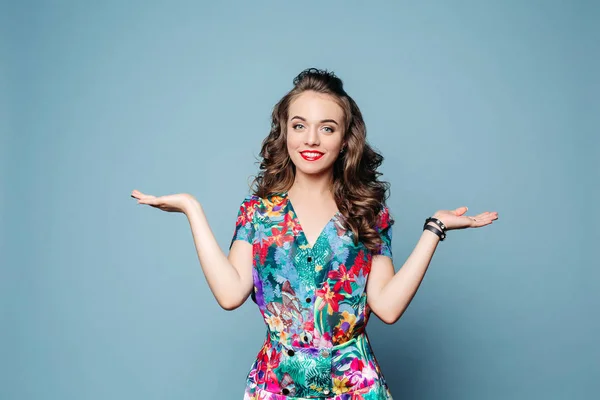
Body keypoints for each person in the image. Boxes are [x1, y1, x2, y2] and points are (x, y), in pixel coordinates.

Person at [130, 68, 498, 399]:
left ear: (344, 141)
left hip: (354, 387)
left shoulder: (368, 212)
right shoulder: (259, 212)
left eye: (327, 128)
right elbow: (229, 294)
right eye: (299, 125)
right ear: (285, 132)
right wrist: (192, 209)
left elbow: (387, 306)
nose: (312, 140)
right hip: (276, 387)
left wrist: (434, 230)